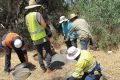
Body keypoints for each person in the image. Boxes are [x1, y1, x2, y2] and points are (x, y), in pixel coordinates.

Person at [25, 0, 53, 72]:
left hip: (34, 38)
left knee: (39, 53)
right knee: (48, 51)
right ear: (35, 7)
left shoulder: (27, 17)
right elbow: (44, 25)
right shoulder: (37, 14)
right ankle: (49, 66)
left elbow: (28, 28)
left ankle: (43, 68)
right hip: (42, 37)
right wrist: (49, 32)